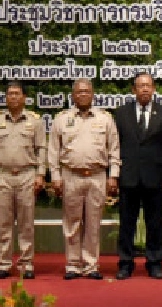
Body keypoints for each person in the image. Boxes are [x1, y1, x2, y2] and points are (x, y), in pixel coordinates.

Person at [48, 79, 120, 280]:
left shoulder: (105, 118)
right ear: (73, 95)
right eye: (79, 92)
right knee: (72, 223)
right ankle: (72, 265)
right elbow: (53, 150)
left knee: (93, 223)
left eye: (87, 91)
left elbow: (114, 149)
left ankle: (91, 265)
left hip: (97, 176)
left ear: (92, 94)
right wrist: (55, 176)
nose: (83, 95)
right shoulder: (62, 119)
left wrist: (113, 175)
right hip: (71, 175)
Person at [113, 72, 162, 280]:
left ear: (154, 88)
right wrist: (113, 175)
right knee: (127, 224)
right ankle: (125, 263)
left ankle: (155, 263)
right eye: (140, 86)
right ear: (134, 90)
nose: (145, 89)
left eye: (148, 85)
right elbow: (114, 146)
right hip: (128, 176)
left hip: (155, 177)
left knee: (155, 223)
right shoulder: (121, 114)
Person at [0, 81, 47, 280]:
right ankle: (3, 264)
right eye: (10, 93)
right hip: (2, 175)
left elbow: (41, 148)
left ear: (24, 97)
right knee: (4, 224)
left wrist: (40, 174)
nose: (13, 97)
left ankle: (26, 264)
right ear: (5, 97)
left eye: (17, 93)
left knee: (26, 224)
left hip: (27, 175)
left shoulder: (34, 121)